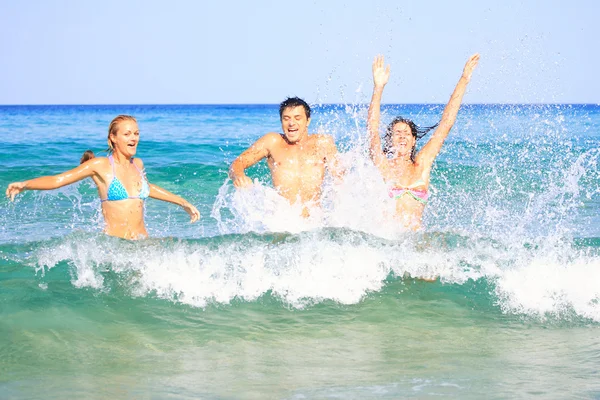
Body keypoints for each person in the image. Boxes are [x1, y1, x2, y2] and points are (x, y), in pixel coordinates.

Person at [6, 115, 200, 239]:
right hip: (116, 246)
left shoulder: (137, 164)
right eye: (127, 134)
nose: (134, 138)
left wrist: (182, 202)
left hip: (142, 244)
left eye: (136, 133)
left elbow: (148, 188)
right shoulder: (101, 165)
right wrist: (25, 184)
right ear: (113, 138)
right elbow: (59, 180)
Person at [367, 54, 480, 230]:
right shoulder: (384, 166)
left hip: (414, 242)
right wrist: (378, 88)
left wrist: (464, 79)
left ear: (413, 141)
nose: (402, 136)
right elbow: (372, 132)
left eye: (407, 133)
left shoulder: (422, 165)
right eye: (397, 133)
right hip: (387, 242)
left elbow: (446, 124)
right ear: (390, 140)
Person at [229, 97, 341, 217]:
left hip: (315, 221)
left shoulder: (323, 143)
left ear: (308, 121)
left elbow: (340, 180)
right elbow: (237, 163)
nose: (291, 123)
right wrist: (239, 176)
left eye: (297, 118)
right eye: (286, 119)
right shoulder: (272, 142)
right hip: (283, 223)